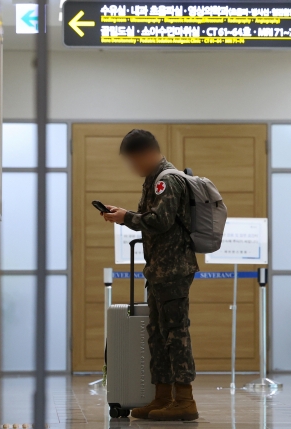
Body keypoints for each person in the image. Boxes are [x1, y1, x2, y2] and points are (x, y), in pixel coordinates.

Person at [101, 129, 200, 421]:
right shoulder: (154, 180)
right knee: (157, 335)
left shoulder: (167, 180)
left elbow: (160, 221)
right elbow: (151, 219)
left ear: (145, 154)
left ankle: (184, 400)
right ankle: (162, 397)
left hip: (173, 270)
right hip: (159, 269)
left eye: (133, 161)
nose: (133, 167)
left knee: (176, 334)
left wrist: (125, 218)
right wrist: (127, 214)